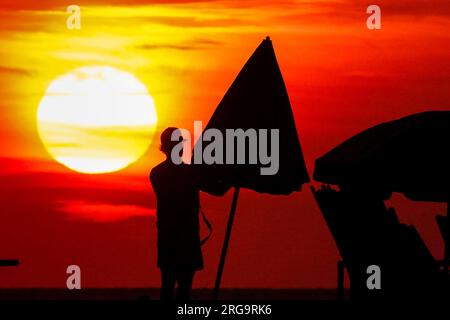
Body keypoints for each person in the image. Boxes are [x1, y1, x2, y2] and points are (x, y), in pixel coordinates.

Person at [150, 127, 227, 300]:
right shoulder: (189, 173)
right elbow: (218, 190)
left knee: (168, 286)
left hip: (168, 237)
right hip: (184, 237)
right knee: (183, 287)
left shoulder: (157, 173)